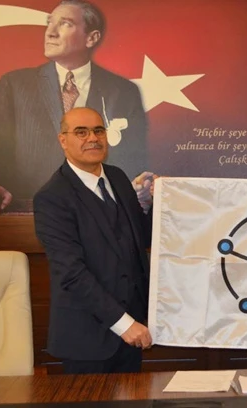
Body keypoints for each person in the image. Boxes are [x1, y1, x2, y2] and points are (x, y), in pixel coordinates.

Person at [0, 0, 148, 216]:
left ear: (91, 38)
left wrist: (137, 185)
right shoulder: (15, 85)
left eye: (65, 24)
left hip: (100, 214)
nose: (50, 32)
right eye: (49, 22)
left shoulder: (123, 91)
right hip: (30, 214)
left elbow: (134, 157)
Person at [33, 107, 155, 374]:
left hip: (134, 333)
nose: (93, 138)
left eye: (99, 130)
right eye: (81, 132)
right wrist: (124, 324)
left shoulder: (118, 178)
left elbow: (141, 237)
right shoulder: (52, 198)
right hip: (87, 342)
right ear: (63, 140)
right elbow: (71, 273)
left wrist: (161, 199)